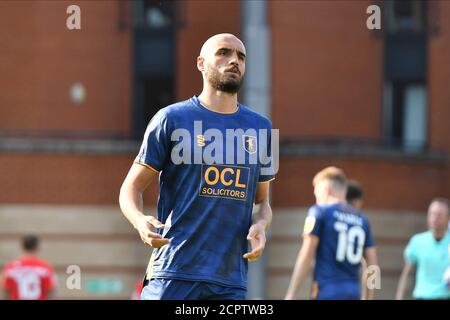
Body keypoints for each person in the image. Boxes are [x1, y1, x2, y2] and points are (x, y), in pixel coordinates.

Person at [119, 33, 275, 300]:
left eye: (240, 56)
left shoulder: (261, 128)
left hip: (230, 280)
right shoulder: (171, 118)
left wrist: (261, 225)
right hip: (173, 272)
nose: (234, 61)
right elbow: (130, 188)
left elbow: (261, 203)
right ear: (201, 63)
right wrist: (139, 220)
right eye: (224, 53)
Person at [285, 167, 377, 300]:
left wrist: (291, 293)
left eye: (316, 194)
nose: (316, 199)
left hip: (326, 290)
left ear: (326, 189)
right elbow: (373, 264)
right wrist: (369, 297)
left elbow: (307, 254)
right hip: (353, 292)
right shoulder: (363, 220)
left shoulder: (318, 211)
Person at [396, 198, 450, 300]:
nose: (435, 218)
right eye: (432, 214)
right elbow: (407, 273)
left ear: (448, 218)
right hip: (421, 296)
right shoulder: (417, 241)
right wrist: (399, 297)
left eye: (439, 215)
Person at [1, 235, 57, 300]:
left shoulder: (11, 268)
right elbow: (51, 292)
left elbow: (5, 292)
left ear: (23, 246)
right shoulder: (46, 268)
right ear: (37, 247)